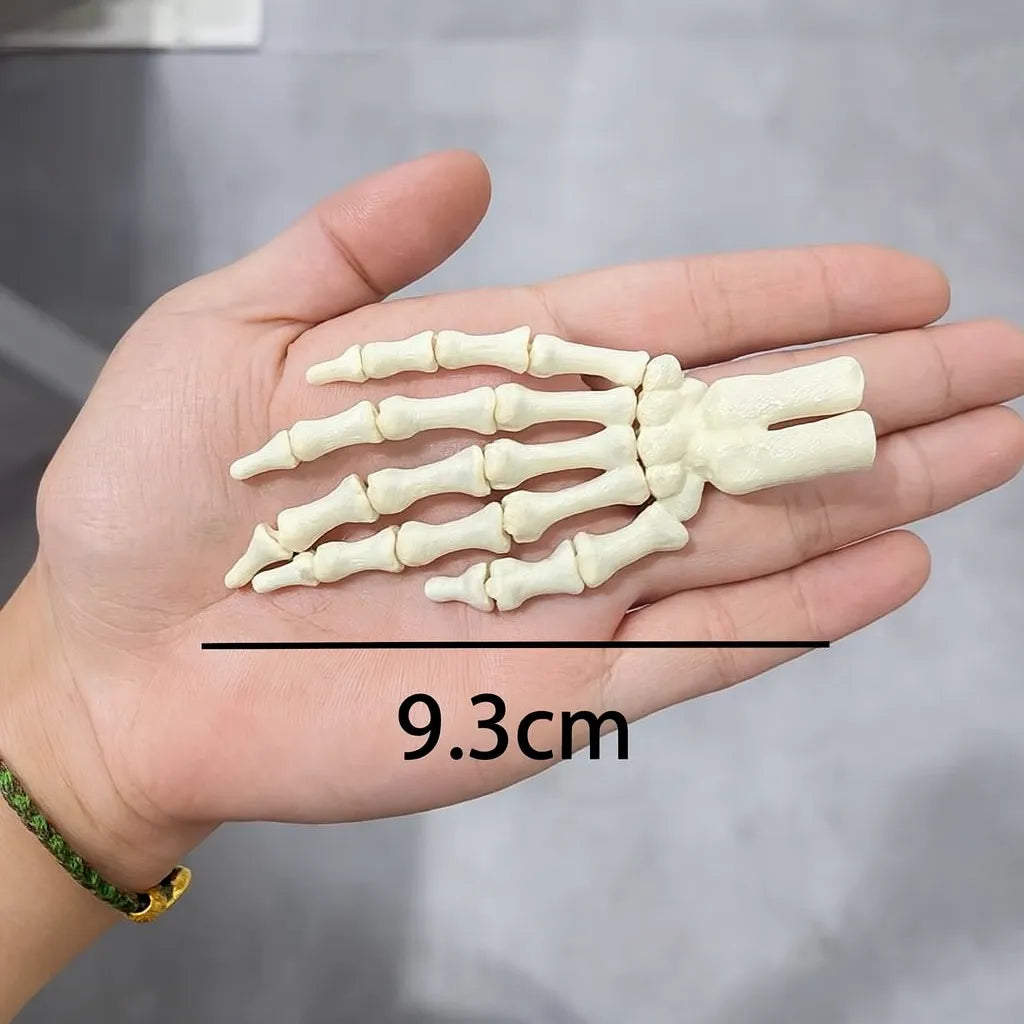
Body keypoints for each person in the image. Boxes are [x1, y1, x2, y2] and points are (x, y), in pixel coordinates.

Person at [1, 150, 1022, 1020]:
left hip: (606, 456)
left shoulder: (629, 459)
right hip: (593, 455)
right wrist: (83, 754)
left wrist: (84, 755)